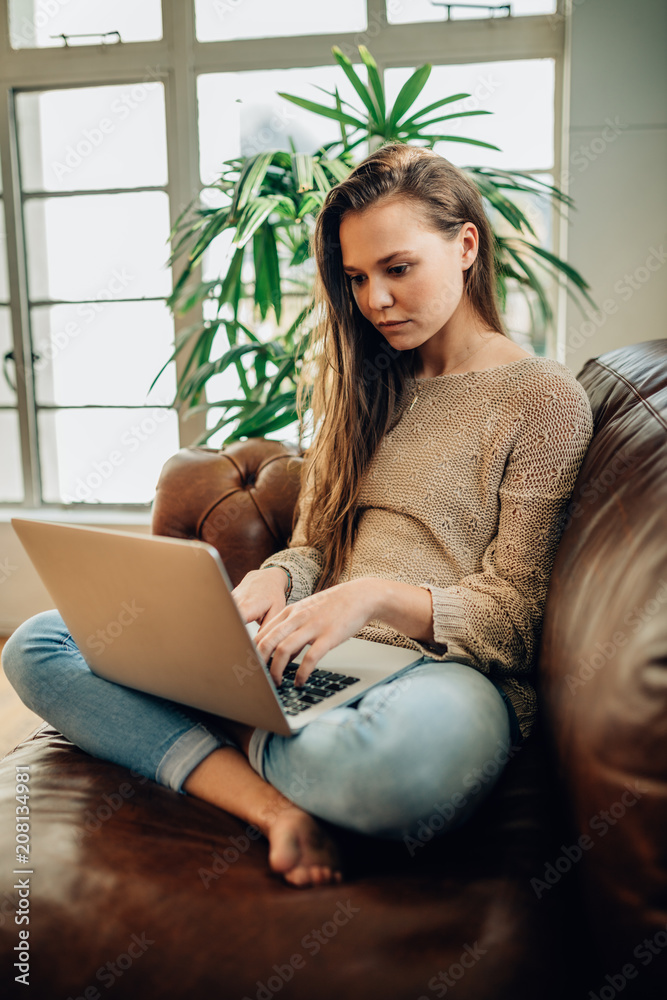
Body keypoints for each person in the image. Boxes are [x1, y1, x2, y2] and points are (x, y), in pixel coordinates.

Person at [2, 141, 594, 890]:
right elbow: (314, 540)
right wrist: (275, 579)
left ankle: (213, 728)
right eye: (355, 278)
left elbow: (516, 614)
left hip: (441, 676)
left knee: (383, 776)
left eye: (397, 268)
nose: (373, 300)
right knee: (39, 645)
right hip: (311, 653)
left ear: (465, 244)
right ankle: (276, 808)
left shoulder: (541, 399)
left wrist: (371, 596)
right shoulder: (365, 383)